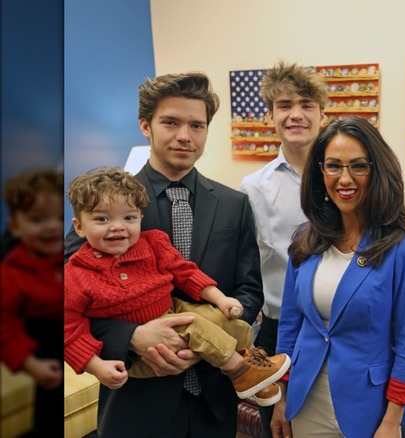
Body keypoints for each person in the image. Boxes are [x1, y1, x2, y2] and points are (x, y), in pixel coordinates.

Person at [63, 72, 263, 438]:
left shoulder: (235, 204)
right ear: (145, 126)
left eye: (196, 125)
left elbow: (249, 289)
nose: (184, 136)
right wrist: (132, 336)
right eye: (170, 122)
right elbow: (64, 297)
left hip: (214, 400)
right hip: (137, 398)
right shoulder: (108, 206)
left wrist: (211, 340)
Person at [64, 167, 289, 400]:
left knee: (222, 320)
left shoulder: (152, 242)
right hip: (144, 359)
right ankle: (240, 372)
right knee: (196, 327)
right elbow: (68, 329)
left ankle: (252, 365)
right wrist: (96, 366)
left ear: (141, 217)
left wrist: (221, 299)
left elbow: (185, 272)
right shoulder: (75, 275)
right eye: (102, 218)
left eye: (128, 217)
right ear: (79, 226)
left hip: (174, 307)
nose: (118, 226)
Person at [276, 116, 405, 437]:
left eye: (358, 166)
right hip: (305, 400)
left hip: (369, 408)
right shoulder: (305, 240)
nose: (345, 178)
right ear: (321, 172)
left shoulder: (401, 248)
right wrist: (281, 396)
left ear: (377, 171)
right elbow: (290, 326)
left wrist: (392, 420)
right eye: (333, 166)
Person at [238, 60, 328, 436]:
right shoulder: (254, 187)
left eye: (307, 104)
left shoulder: (347, 174)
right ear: (270, 115)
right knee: (281, 427)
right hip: (281, 327)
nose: (296, 115)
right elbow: (248, 263)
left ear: (323, 114)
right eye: (285, 105)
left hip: (344, 324)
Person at [0, 168, 64, 437]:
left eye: (60, 217)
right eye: (37, 219)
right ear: (15, 226)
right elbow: (5, 329)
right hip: (45, 349)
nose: (52, 226)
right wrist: (30, 365)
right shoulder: (11, 274)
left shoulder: (71, 253)